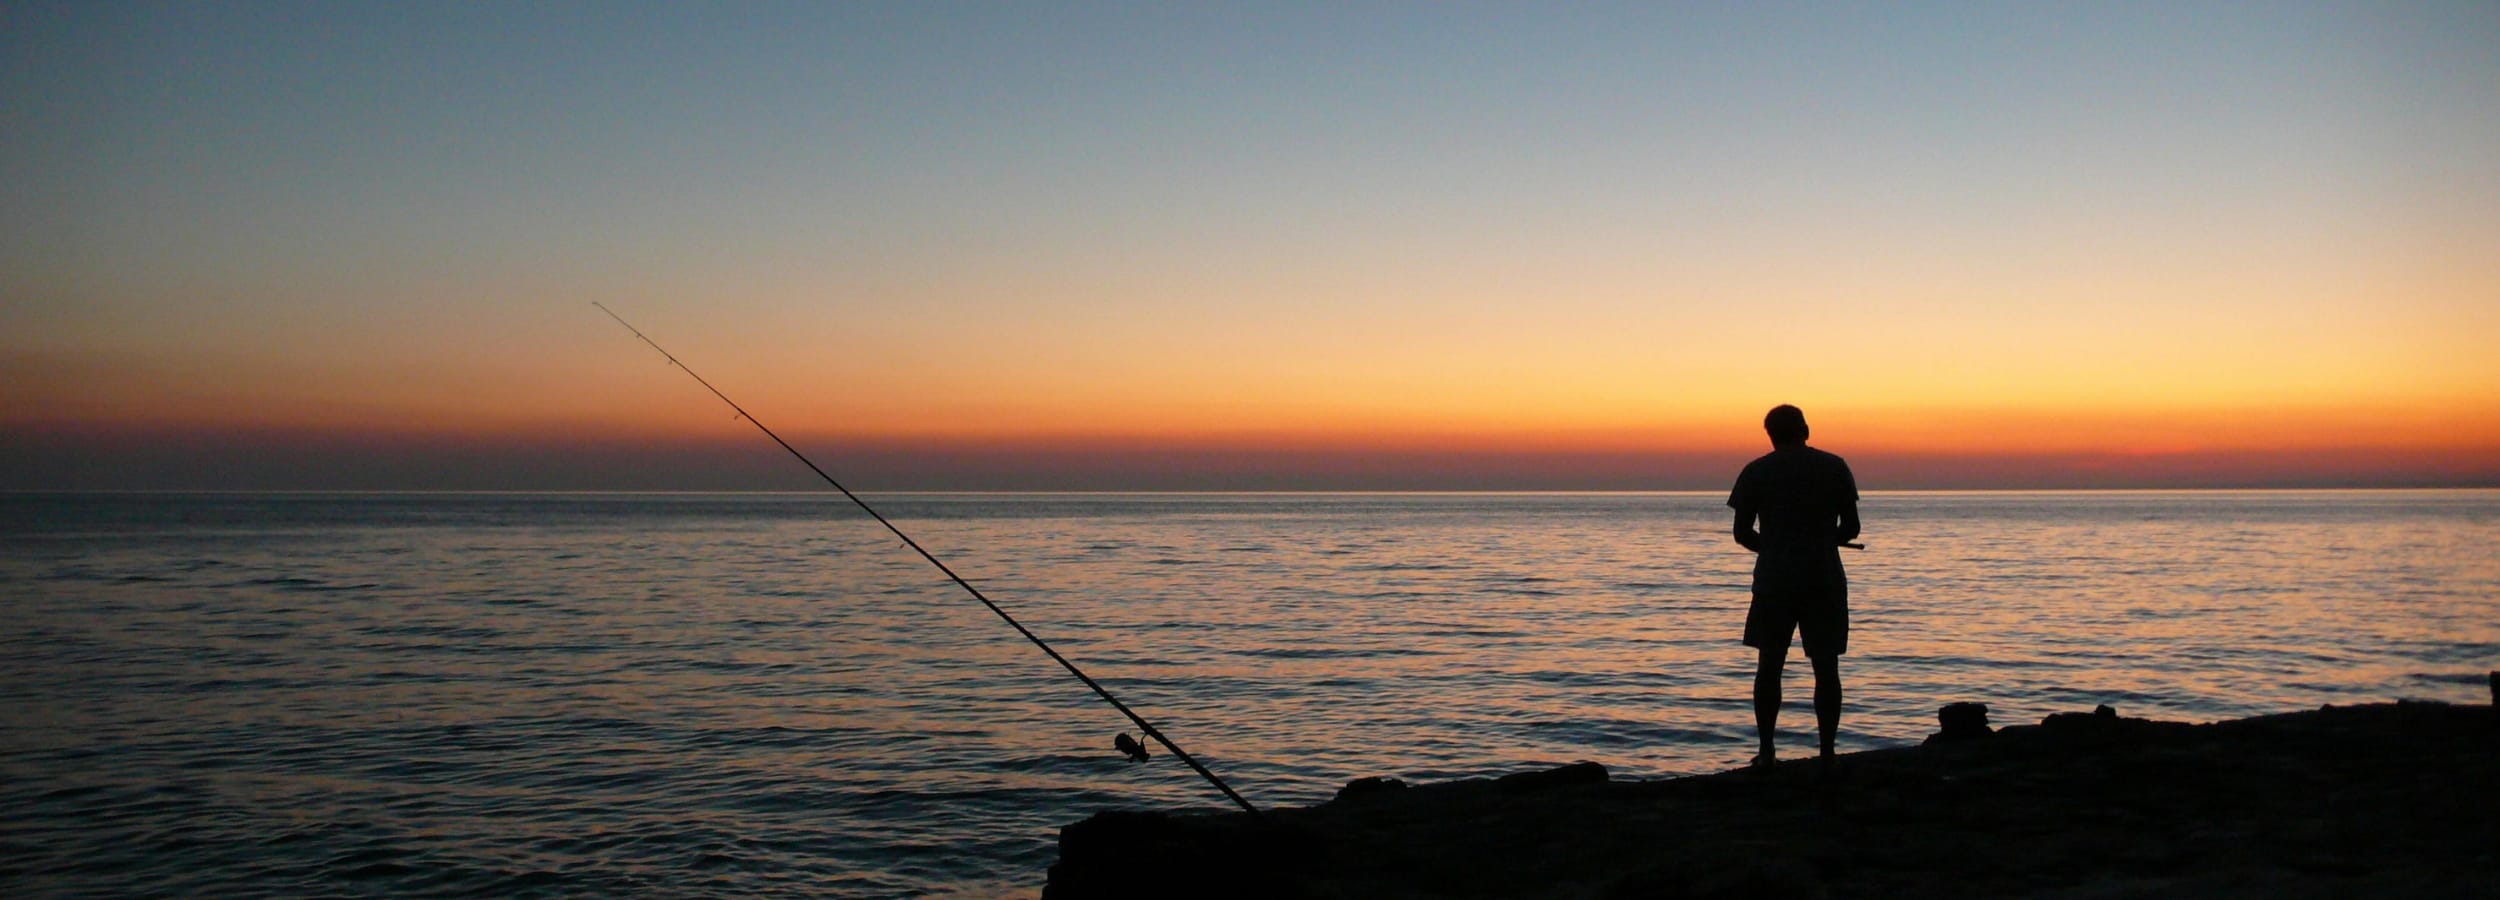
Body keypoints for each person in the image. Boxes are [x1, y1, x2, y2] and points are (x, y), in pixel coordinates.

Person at [1728, 404, 1859, 768]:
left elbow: (1741, 534)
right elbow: (1851, 528)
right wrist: (1820, 540)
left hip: (1774, 579)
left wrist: (1773, 546)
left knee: (1769, 664)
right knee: (1826, 667)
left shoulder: (1755, 471)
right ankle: (1827, 751)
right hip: (1824, 578)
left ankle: (1767, 751)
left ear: (1770, 434)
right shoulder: (1835, 466)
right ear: (1806, 429)